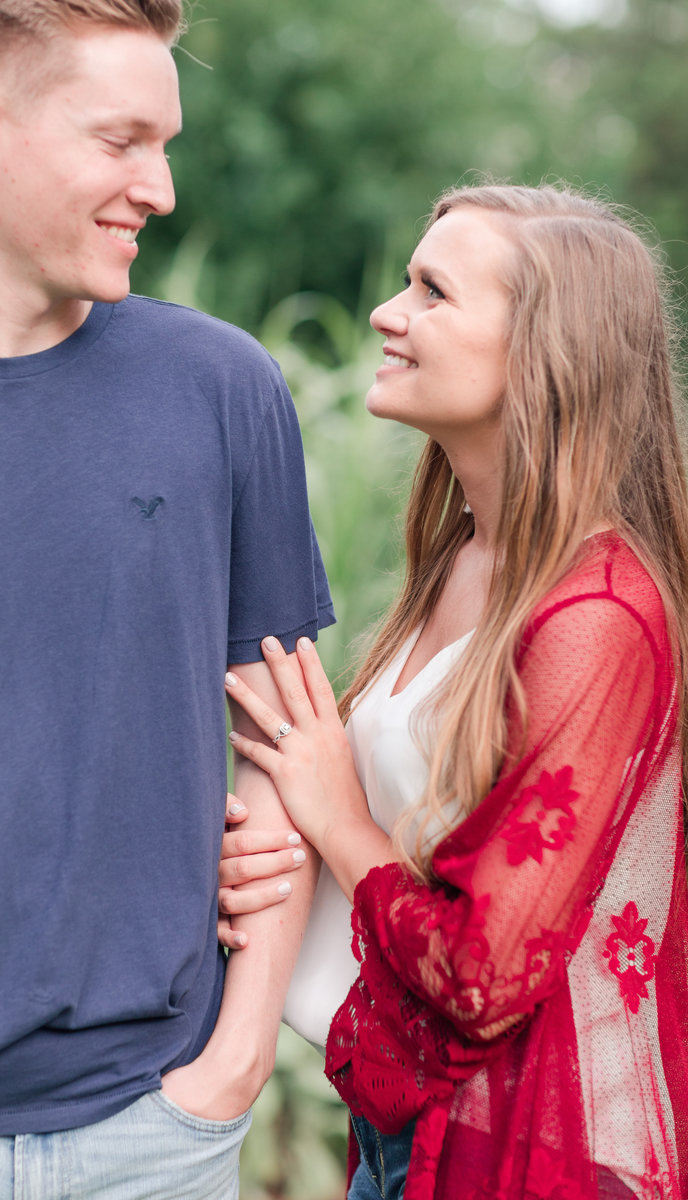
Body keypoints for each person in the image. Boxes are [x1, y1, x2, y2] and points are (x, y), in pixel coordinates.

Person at [0, 1, 332, 1196]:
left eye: (165, 144)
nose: (161, 189)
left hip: (158, 1135)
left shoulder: (221, 388)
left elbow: (285, 740)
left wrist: (232, 1065)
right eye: (122, 140)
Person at [220, 183, 688, 1199]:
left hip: (519, 1155)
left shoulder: (599, 615)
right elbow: (414, 825)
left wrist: (335, 817)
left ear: (545, 351)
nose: (387, 314)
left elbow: (485, 974)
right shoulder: (467, 558)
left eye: (432, 292)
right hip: (408, 1124)